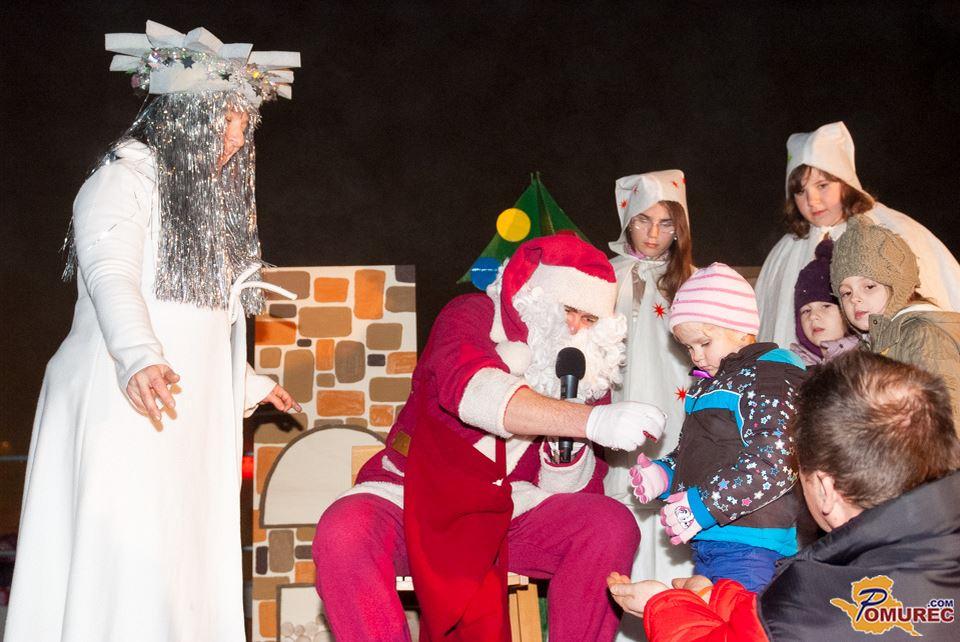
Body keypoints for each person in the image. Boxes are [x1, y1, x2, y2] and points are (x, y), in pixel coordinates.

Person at [7, 22, 300, 641]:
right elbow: (111, 273)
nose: (235, 142)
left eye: (243, 130)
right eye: (227, 124)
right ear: (185, 121)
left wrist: (247, 383)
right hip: (126, 398)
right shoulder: (124, 178)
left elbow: (196, 315)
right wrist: (138, 355)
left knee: (176, 561)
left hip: (177, 411)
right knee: (128, 556)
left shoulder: (198, 211)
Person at [312, 233, 668, 641]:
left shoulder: (585, 371)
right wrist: (587, 421)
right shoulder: (471, 314)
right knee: (345, 531)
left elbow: (565, 492)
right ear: (535, 295)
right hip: (415, 494)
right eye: (568, 309)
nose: (574, 328)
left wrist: (565, 449)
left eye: (589, 319)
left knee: (609, 525)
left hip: (511, 505)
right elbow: (471, 390)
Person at [608, 350, 960, 642]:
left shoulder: (810, 607)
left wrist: (663, 605)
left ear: (826, 490)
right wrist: (713, 597)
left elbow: (785, 623)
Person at [629, 263, 805, 593]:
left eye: (704, 343)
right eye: (688, 347)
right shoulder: (710, 386)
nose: (696, 357)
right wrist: (665, 474)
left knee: (738, 618)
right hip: (711, 538)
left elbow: (777, 459)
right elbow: (699, 454)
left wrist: (704, 505)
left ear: (740, 330)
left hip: (753, 544)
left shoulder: (769, 374)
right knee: (710, 619)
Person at [754, 121, 960, 348]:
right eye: (801, 191)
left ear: (844, 182)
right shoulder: (784, 252)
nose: (812, 200)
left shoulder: (890, 230)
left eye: (822, 185)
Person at [605, 171, 696, 638]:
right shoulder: (606, 276)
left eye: (666, 223)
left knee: (671, 516)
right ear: (627, 220)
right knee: (623, 516)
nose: (654, 234)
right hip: (620, 407)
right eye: (643, 220)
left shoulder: (692, 281)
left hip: (675, 409)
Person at [831, 214, 960, 433]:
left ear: (898, 287)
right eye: (846, 292)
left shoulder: (923, 335)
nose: (855, 299)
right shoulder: (868, 348)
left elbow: (945, 423)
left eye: (869, 287)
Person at [789, 238, 858, 366]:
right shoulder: (793, 367)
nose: (813, 316)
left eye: (826, 306)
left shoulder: (865, 363)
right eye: (806, 311)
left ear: (846, 311)